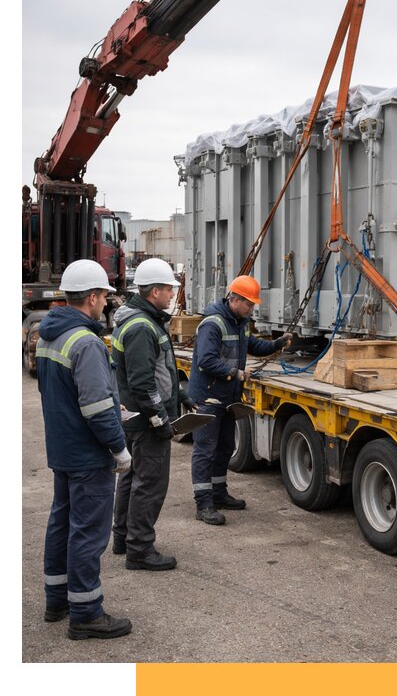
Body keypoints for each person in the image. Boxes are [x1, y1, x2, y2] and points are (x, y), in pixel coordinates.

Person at [36, 259, 133, 640]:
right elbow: (94, 407)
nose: (106, 302)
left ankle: (57, 600)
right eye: (104, 296)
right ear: (92, 297)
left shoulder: (49, 335)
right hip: (88, 454)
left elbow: (61, 393)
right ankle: (86, 613)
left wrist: (109, 405)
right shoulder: (87, 342)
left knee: (62, 524)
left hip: (62, 449)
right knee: (88, 533)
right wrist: (118, 447)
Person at [111, 258, 195, 570]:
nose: (173, 293)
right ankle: (140, 549)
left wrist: (181, 396)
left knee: (132, 478)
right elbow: (143, 383)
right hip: (146, 421)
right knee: (150, 483)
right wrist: (160, 420)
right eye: (169, 288)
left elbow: (160, 371)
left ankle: (124, 538)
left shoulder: (142, 320)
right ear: (154, 291)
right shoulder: (142, 327)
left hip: (135, 417)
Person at [188, 275, 292, 525]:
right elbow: (206, 360)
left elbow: (252, 345)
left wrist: (276, 344)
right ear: (234, 299)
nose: (252, 308)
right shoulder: (213, 324)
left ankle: (219, 494)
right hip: (208, 398)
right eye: (249, 304)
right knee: (205, 451)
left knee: (224, 448)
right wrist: (236, 373)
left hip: (227, 398)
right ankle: (203, 504)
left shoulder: (240, 322)